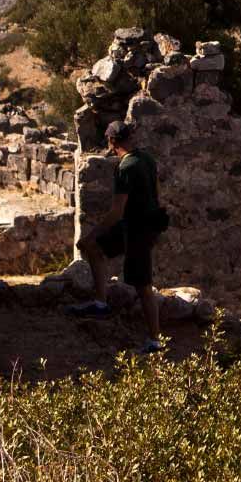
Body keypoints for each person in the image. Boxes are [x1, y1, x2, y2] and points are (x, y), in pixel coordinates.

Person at [67, 120, 166, 351]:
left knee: (143, 286)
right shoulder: (147, 159)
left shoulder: (125, 167)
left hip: (137, 231)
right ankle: (100, 304)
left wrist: (91, 234)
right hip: (141, 224)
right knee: (96, 250)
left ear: (112, 141)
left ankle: (155, 341)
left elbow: (116, 211)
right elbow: (157, 193)